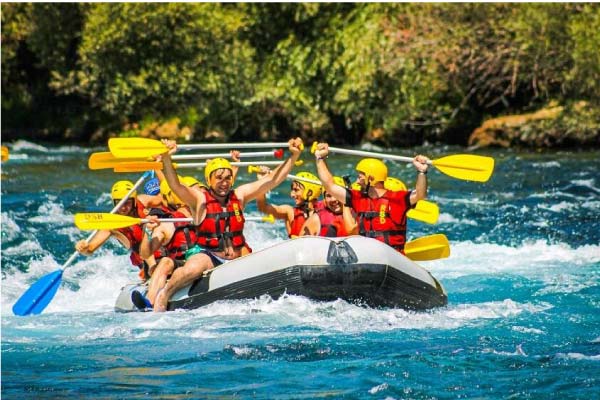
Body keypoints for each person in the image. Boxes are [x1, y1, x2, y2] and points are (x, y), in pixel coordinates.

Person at [153, 137, 304, 312]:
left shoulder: (239, 196)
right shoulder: (199, 199)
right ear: (209, 180)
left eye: (227, 178)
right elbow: (175, 185)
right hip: (210, 256)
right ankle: (165, 293)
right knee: (192, 269)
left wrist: (294, 156)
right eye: (219, 178)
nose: (224, 183)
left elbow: (271, 180)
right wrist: (166, 157)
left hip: (237, 257)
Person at [313, 142, 429, 253]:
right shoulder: (357, 198)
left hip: (392, 257)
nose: (357, 182)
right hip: (368, 256)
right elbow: (329, 186)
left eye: (360, 177)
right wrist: (320, 158)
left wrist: (421, 172)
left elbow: (420, 194)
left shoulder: (396, 198)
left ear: (371, 179)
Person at [75, 180, 164, 280]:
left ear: (134, 201)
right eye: (119, 203)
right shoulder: (111, 225)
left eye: (128, 203)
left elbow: (164, 200)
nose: (123, 207)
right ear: (114, 202)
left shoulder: (142, 201)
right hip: (145, 260)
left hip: (160, 247)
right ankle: (151, 272)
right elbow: (90, 249)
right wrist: (84, 248)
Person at [256, 170, 322, 238]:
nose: (292, 195)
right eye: (292, 190)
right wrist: (261, 181)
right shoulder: (289, 212)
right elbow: (263, 207)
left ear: (309, 192)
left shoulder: (323, 212)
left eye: (296, 190)